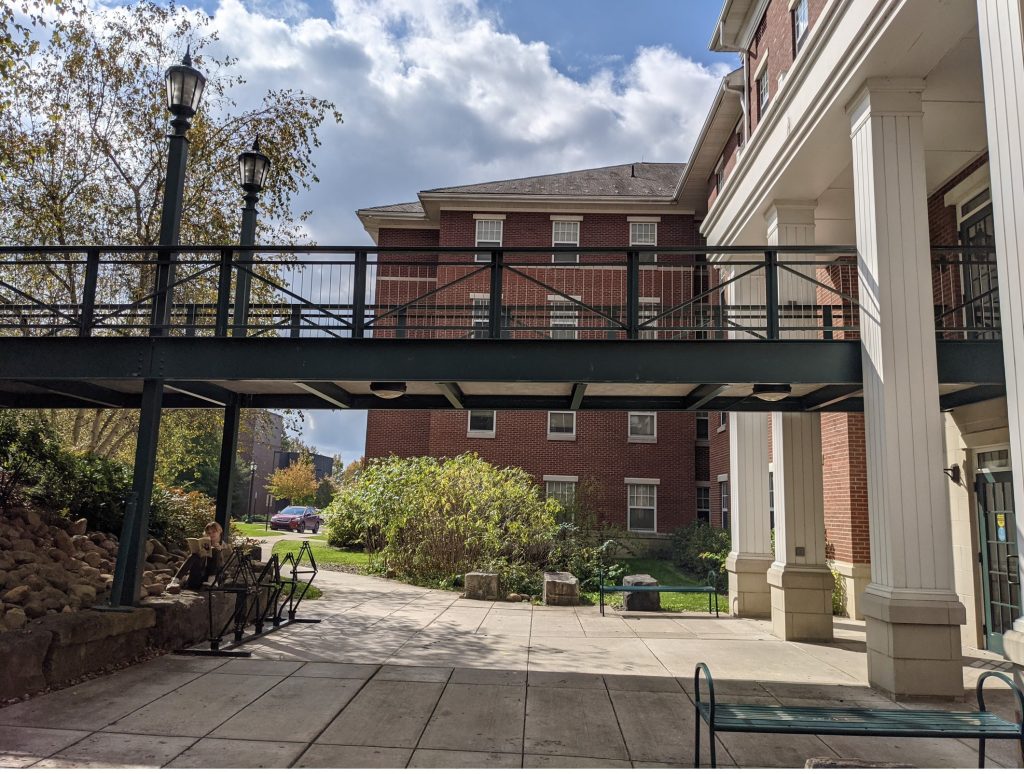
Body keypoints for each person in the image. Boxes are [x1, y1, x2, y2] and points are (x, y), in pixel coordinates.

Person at [167, 522, 226, 593]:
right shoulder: (204, 543)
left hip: (212, 580)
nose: (211, 535)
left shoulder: (225, 547)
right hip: (197, 578)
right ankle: (175, 580)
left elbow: (225, 567)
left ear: (220, 531)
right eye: (209, 533)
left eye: (214, 532)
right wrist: (200, 555)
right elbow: (193, 562)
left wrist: (220, 552)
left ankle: (212, 580)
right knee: (194, 555)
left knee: (215, 551)